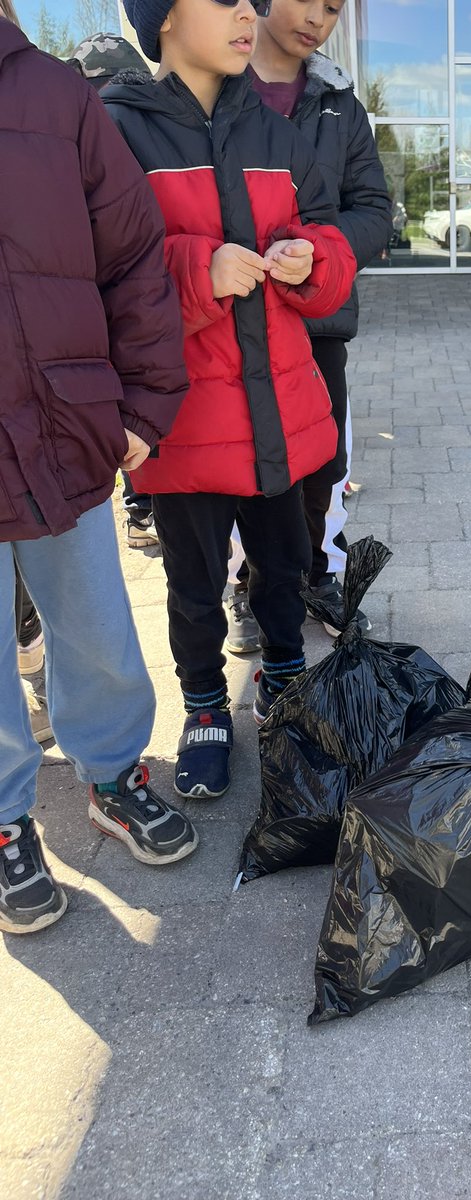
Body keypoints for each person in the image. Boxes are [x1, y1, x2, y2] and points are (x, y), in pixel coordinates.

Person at [103, 0, 356, 800]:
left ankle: (284, 682)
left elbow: (334, 239)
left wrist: (309, 258)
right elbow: (106, 270)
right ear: (163, 19)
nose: (249, 12)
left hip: (278, 412)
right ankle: (206, 708)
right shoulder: (116, 132)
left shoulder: (280, 132)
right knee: (193, 582)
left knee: (284, 568)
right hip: (181, 426)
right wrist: (197, 271)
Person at [0, 1, 198, 934]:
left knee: (90, 619)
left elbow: (133, 260)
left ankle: (114, 773)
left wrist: (146, 406)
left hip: (60, 422)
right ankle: (4, 824)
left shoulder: (56, 96)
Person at [223, 0, 392, 648]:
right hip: (225, 326)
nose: (320, 16)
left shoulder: (338, 105)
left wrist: (316, 249)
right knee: (238, 463)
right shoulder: (209, 88)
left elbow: (374, 208)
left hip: (315, 322)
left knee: (320, 462)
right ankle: (248, 585)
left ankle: (317, 575)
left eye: (334, 6)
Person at [66, 32, 162, 550]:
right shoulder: (142, 119)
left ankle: (139, 505)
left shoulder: (75, 124)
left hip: (100, 293)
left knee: (118, 395)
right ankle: (143, 502)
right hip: (130, 292)